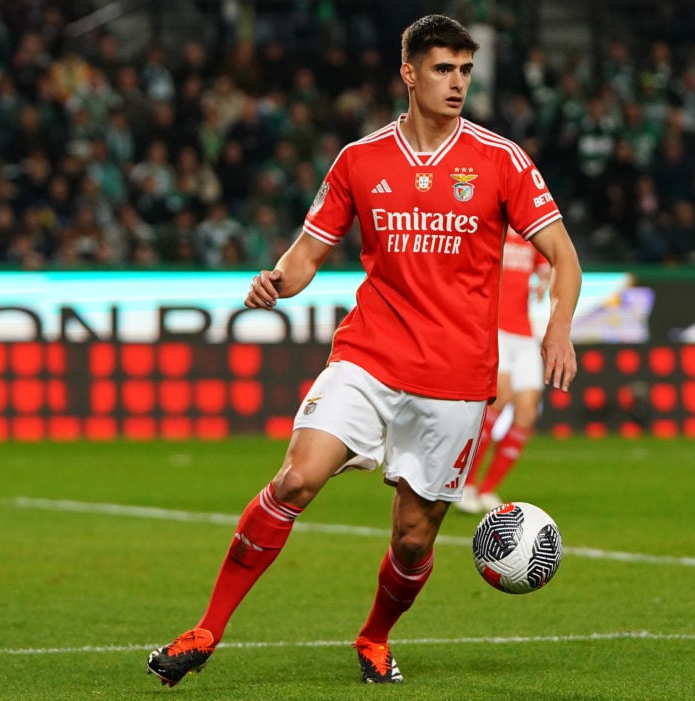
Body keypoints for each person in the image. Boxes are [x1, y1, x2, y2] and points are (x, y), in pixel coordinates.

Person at [146, 14, 581, 688]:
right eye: (443, 68)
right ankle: (206, 629)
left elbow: (564, 255)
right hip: (370, 356)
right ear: (409, 73)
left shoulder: (501, 159)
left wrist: (558, 326)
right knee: (296, 478)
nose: (457, 82)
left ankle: (375, 637)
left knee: (412, 536)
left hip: (458, 378)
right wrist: (277, 281)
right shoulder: (360, 159)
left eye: (464, 69)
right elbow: (308, 251)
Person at [457, 228, 550, 514]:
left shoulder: (531, 234)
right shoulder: (490, 227)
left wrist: (544, 279)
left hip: (523, 334)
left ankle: (487, 489)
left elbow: (546, 262)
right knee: (500, 397)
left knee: (527, 413)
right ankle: (466, 484)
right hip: (492, 328)